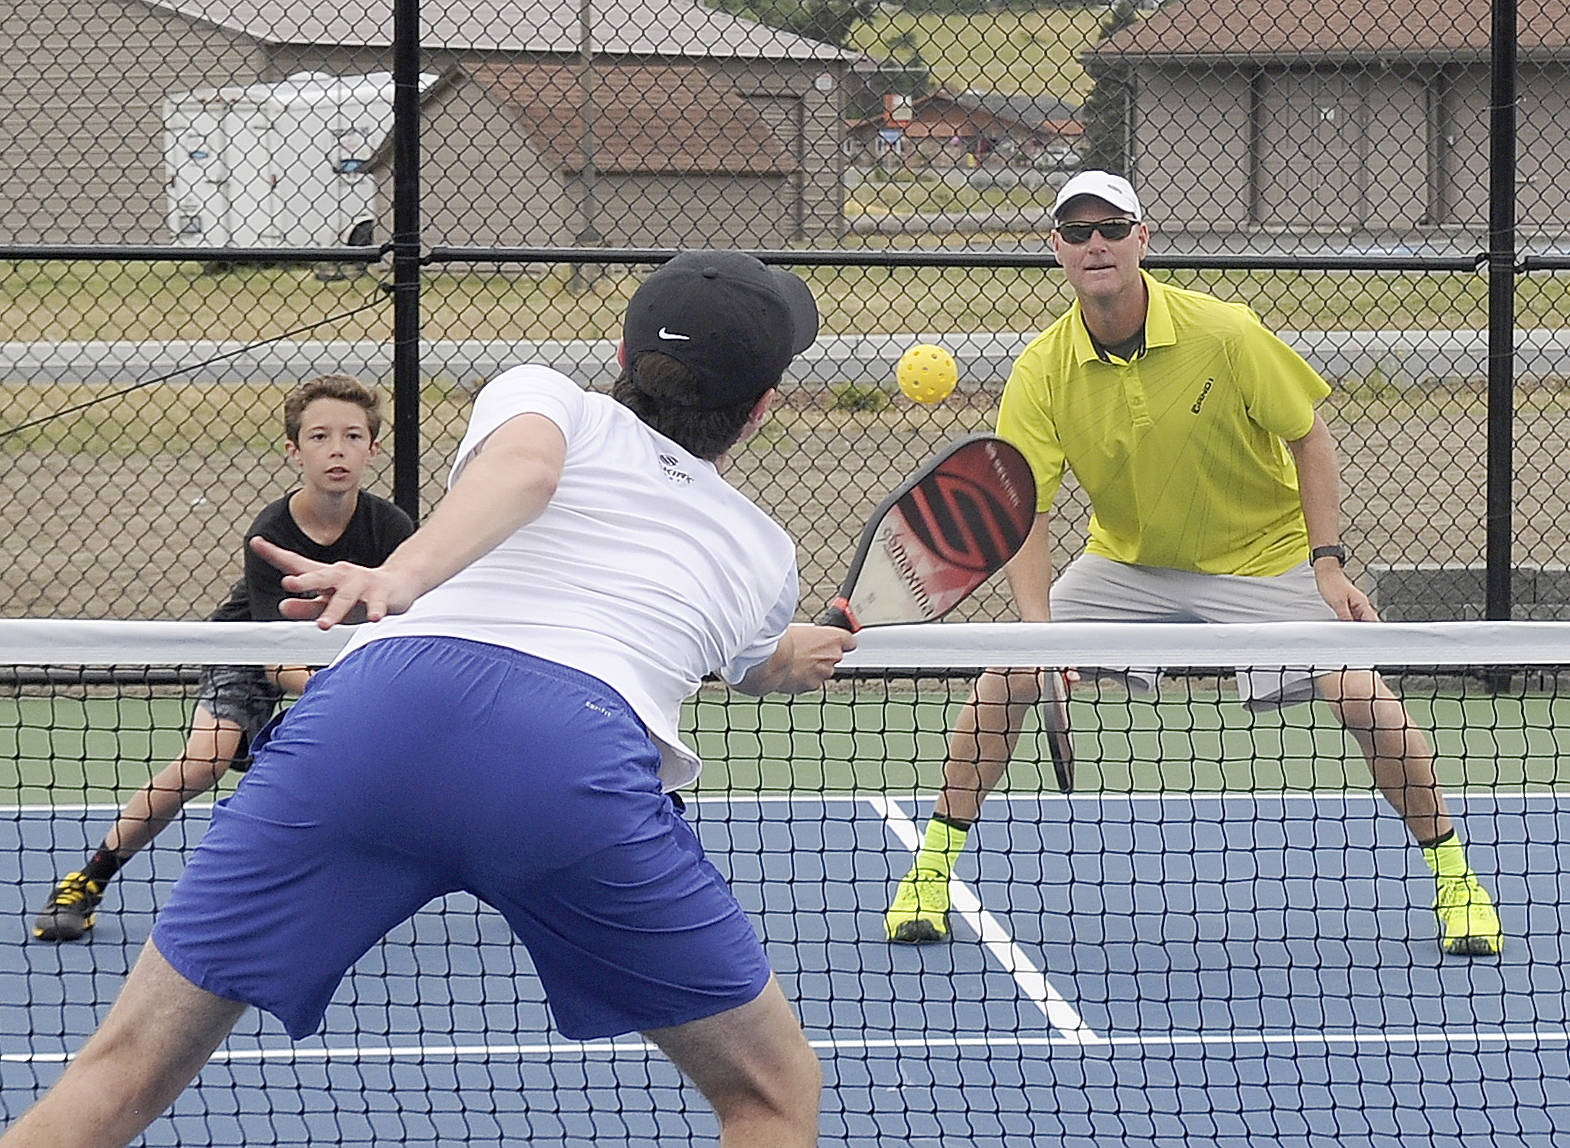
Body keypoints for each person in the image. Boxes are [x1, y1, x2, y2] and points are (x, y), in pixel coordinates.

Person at [0, 251, 857, 1148]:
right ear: (762, 407)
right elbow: (756, 665)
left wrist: (400, 579)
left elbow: (527, 471)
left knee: (124, 1068)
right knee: (772, 1092)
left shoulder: (543, 391)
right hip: (570, 766)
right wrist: (787, 660)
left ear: (618, 357)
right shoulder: (766, 553)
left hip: (372, 715)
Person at [884, 172, 1504, 959]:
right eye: (1077, 232)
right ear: (1057, 251)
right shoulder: (1042, 369)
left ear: (1143, 239)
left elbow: (1309, 436)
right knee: (1004, 673)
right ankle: (930, 875)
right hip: (1128, 567)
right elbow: (1027, 507)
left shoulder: (1227, 332)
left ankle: (1456, 880)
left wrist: (1327, 565)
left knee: (1364, 697)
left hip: (1266, 559)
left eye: (1112, 227)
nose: (1095, 244)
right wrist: (1038, 635)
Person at [30, 374, 415, 942]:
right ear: (294, 450)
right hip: (249, 650)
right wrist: (338, 692)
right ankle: (89, 878)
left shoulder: (391, 527)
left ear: (373, 449)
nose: (338, 449)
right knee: (206, 761)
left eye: (353, 436)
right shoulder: (272, 531)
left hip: (342, 656)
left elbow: (404, 625)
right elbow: (273, 662)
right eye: (320, 437)